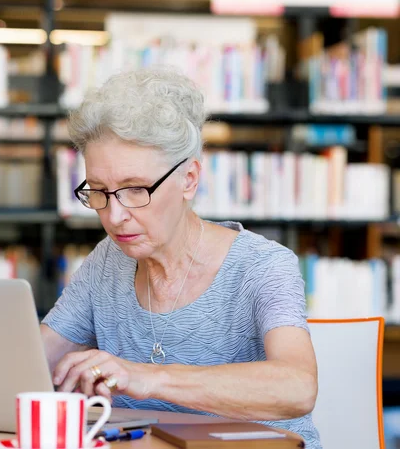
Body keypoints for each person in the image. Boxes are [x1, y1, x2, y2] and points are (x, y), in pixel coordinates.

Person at [40, 67, 321, 449]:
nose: (114, 215)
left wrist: (148, 377)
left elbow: (297, 386)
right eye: (100, 191)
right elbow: (33, 361)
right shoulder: (108, 260)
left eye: (135, 189)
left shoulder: (262, 264)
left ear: (189, 178)